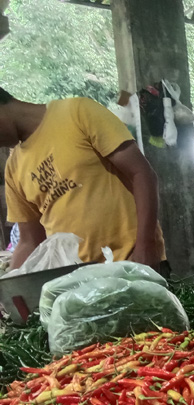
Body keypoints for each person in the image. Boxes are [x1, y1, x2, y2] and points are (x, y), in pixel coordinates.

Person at [0, 88, 165, 269]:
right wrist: (11, 287)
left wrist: (145, 245)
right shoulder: (13, 168)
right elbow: (29, 242)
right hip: (75, 281)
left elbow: (141, 174)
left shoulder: (78, 112)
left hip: (131, 262)